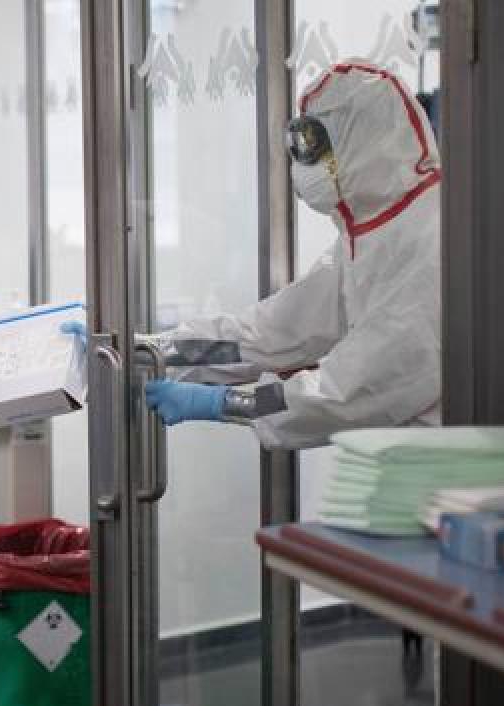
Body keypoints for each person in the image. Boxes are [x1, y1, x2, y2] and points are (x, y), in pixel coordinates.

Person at [144, 59, 441, 449]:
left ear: (369, 142)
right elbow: (274, 333)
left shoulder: (433, 236)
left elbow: (349, 391)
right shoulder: (372, 233)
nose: (307, 164)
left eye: (319, 147)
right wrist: (156, 350)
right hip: (401, 464)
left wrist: (227, 402)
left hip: (447, 471)